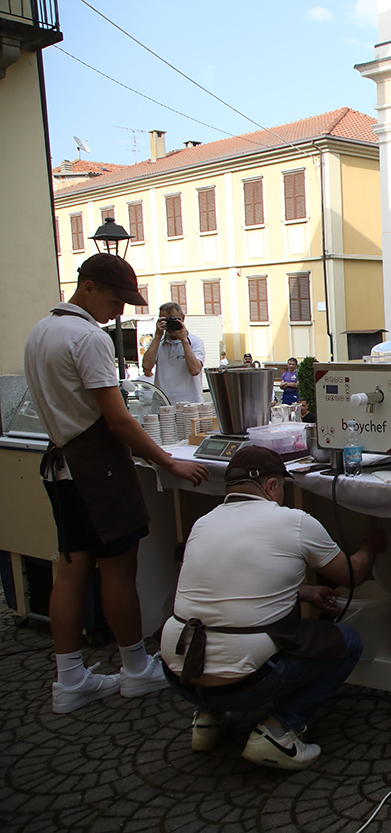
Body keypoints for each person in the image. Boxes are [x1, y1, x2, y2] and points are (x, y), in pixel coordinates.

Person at [24, 253, 209, 714]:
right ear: (87, 287)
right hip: (97, 470)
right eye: (115, 298)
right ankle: (135, 669)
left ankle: (69, 680)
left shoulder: (40, 331)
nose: (120, 310)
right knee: (118, 569)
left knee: (70, 569)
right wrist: (170, 463)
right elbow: (119, 421)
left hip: (61, 465)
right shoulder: (88, 337)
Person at [160, 446, 387, 769]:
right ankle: (279, 730)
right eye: (282, 487)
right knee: (348, 642)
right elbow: (351, 575)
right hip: (243, 684)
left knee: (213, 621)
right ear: (271, 487)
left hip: (177, 674)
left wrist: (306, 593)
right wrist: (371, 544)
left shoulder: (203, 523)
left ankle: (207, 719)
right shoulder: (293, 522)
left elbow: (238, 586)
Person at [141, 301, 205, 404]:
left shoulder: (195, 342)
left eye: (173, 319)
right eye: (165, 320)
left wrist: (184, 340)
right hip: (163, 405)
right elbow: (146, 367)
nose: (170, 325)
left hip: (189, 405)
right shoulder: (158, 343)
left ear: (182, 318)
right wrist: (157, 336)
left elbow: (194, 370)